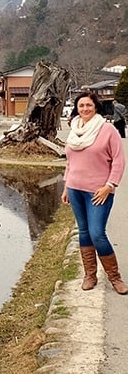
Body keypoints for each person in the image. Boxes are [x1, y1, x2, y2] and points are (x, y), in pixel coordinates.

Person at [61, 91, 127, 294]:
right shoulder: (74, 130)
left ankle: (115, 277)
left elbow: (119, 160)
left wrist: (110, 185)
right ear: (77, 108)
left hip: (99, 191)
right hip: (75, 189)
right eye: (81, 106)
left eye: (89, 105)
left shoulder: (107, 130)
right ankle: (90, 275)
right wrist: (66, 186)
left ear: (95, 107)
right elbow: (70, 162)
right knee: (83, 232)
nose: (85, 109)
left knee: (97, 233)